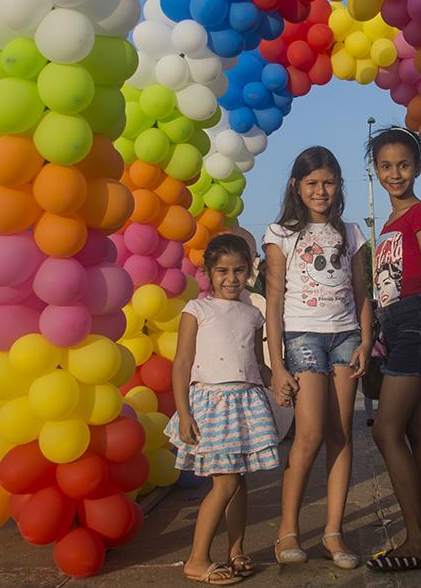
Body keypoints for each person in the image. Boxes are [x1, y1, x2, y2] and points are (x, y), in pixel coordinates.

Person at [263, 147, 372, 569]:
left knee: (340, 432)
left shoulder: (352, 231)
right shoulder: (280, 233)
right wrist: (277, 365)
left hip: (346, 337)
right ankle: (286, 530)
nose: (321, 190)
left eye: (328, 182)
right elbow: (273, 301)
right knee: (308, 433)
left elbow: (362, 294)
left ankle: (333, 533)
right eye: (312, 183)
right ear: (297, 186)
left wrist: (365, 339)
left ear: (339, 185)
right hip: (303, 337)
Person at [167, 234, 279, 585]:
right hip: (212, 405)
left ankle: (237, 550)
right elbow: (182, 362)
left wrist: (280, 381)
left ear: (249, 271)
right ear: (208, 273)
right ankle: (197, 559)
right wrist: (184, 412)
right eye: (222, 271)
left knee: (240, 481)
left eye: (239, 270)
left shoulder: (252, 313)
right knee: (226, 482)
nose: (231, 278)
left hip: (246, 403)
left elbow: (257, 365)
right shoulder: (196, 309)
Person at [364, 127, 421, 571]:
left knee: (385, 431)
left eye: (403, 165)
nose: (394, 174)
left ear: (417, 167)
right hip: (397, 327)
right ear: (375, 170)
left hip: (418, 325)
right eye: (385, 166)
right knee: (419, 433)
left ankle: (416, 538)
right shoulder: (389, 224)